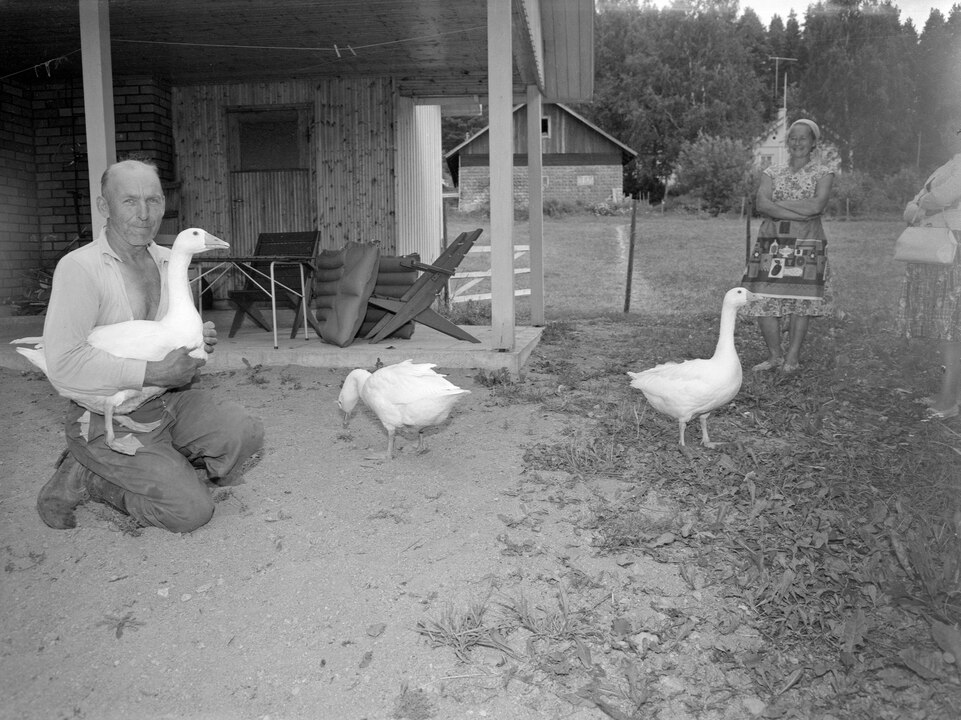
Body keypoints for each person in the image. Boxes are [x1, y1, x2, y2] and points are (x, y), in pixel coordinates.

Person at [36, 158, 264, 533]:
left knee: (244, 432)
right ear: (104, 207)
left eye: (153, 200)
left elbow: (168, 334)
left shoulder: (168, 260)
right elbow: (63, 363)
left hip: (167, 396)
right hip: (109, 409)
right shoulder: (79, 269)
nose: (144, 214)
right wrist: (153, 370)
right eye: (129, 202)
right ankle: (93, 475)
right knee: (191, 513)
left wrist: (196, 340)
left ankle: (157, 466)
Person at [742, 118, 836, 375]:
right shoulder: (771, 172)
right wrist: (801, 208)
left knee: (801, 302)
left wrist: (780, 206)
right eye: (792, 138)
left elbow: (817, 207)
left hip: (808, 243)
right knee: (763, 299)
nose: (797, 143)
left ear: (813, 142)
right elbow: (763, 205)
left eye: (803, 138)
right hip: (771, 243)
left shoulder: (823, 173)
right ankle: (774, 356)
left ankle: (791, 360)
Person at [896, 137, 961, 419]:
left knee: (951, 329)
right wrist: (924, 203)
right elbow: (908, 210)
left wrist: (923, 202)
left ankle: (949, 401)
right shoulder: (950, 163)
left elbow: (942, 197)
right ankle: (947, 393)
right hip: (935, 247)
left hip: (954, 247)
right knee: (944, 327)